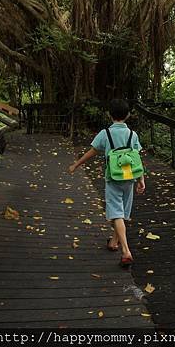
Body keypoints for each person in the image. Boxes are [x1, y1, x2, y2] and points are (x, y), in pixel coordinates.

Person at [69, 98, 145, 267]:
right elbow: (137, 159)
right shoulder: (133, 134)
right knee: (122, 213)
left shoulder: (105, 134)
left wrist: (76, 164)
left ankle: (126, 251)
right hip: (129, 178)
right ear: (128, 115)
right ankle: (113, 242)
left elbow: (92, 151)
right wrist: (141, 179)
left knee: (116, 213)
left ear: (109, 115)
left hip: (113, 178)